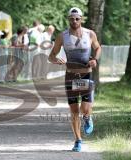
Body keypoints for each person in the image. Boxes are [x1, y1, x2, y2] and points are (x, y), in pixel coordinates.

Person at [48, 7, 101, 152]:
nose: (74, 21)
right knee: (74, 110)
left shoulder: (90, 34)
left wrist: (95, 59)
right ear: (68, 19)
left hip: (86, 75)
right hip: (70, 76)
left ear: (81, 19)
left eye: (77, 18)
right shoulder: (62, 36)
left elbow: (97, 48)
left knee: (85, 109)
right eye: (71, 18)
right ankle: (78, 140)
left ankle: (87, 117)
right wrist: (55, 59)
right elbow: (51, 55)